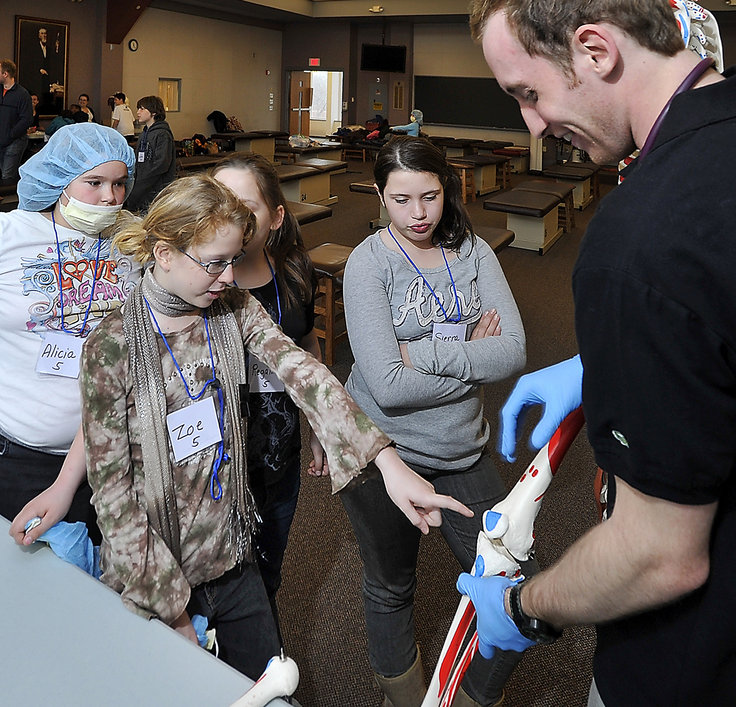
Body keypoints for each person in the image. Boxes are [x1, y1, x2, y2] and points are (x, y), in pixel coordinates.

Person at [78, 173, 472, 680]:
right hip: (158, 567)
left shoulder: (232, 308)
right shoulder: (111, 347)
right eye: (214, 263)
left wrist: (389, 465)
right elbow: (113, 497)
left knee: (266, 683)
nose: (228, 276)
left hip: (231, 552)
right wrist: (171, 609)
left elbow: (305, 374)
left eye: (234, 259)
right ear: (164, 253)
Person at [458, 2, 735, 705]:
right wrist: (605, 363)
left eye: (528, 92)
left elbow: (660, 555)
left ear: (594, 50)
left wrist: (524, 609)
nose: (534, 124)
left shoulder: (639, 239)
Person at [339, 136, 527, 707]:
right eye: (401, 200)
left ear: (449, 189)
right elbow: (389, 392)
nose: (418, 214)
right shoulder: (368, 264)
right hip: (383, 455)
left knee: (512, 585)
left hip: (463, 450)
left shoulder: (472, 252)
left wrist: (419, 355)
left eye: (430, 196)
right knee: (391, 587)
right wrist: (472, 353)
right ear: (379, 194)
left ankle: (468, 701)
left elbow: (514, 351)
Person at [0, 123, 140, 541]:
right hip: (12, 456)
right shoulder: (1, 236)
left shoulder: (130, 241)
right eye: (94, 182)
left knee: (99, 583)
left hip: (110, 453)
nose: (109, 197)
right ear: (60, 178)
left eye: (120, 184)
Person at [210, 152, 326, 633]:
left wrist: (320, 425)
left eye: (245, 205)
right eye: (217, 201)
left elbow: (307, 344)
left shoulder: (295, 272)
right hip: (215, 469)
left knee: (269, 567)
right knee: (221, 581)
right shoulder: (200, 284)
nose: (230, 216)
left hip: (279, 456)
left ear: (276, 216)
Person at [126, 95, 176, 213]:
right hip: (142, 185)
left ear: (153, 112)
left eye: (142, 109)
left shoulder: (162, 134)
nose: (138, 112)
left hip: (155, 187)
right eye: (138, 108)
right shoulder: (144, 134)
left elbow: (162, 164)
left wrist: (142, 182)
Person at [0, 59, 31, 183]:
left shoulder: (22, 94)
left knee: (7, 176)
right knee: (5, 174)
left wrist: (11, 134)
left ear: (5, 74)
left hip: (15, 142)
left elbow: (26, 119)